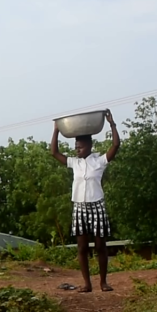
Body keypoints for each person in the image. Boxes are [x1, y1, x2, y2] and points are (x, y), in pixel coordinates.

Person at [50, 109, 121, 293]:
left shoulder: (99, 161)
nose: (77, 149)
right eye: (76, 147)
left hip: (97, 205)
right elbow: (54, 152)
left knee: (100, 245)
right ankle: (87, 284)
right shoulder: (75, 163)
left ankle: (103, 282)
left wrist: (112, 124)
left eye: (80, 147)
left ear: (89, 146)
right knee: (82, 247)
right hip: (79, 207)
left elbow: (115, 145)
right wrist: (57, 129)